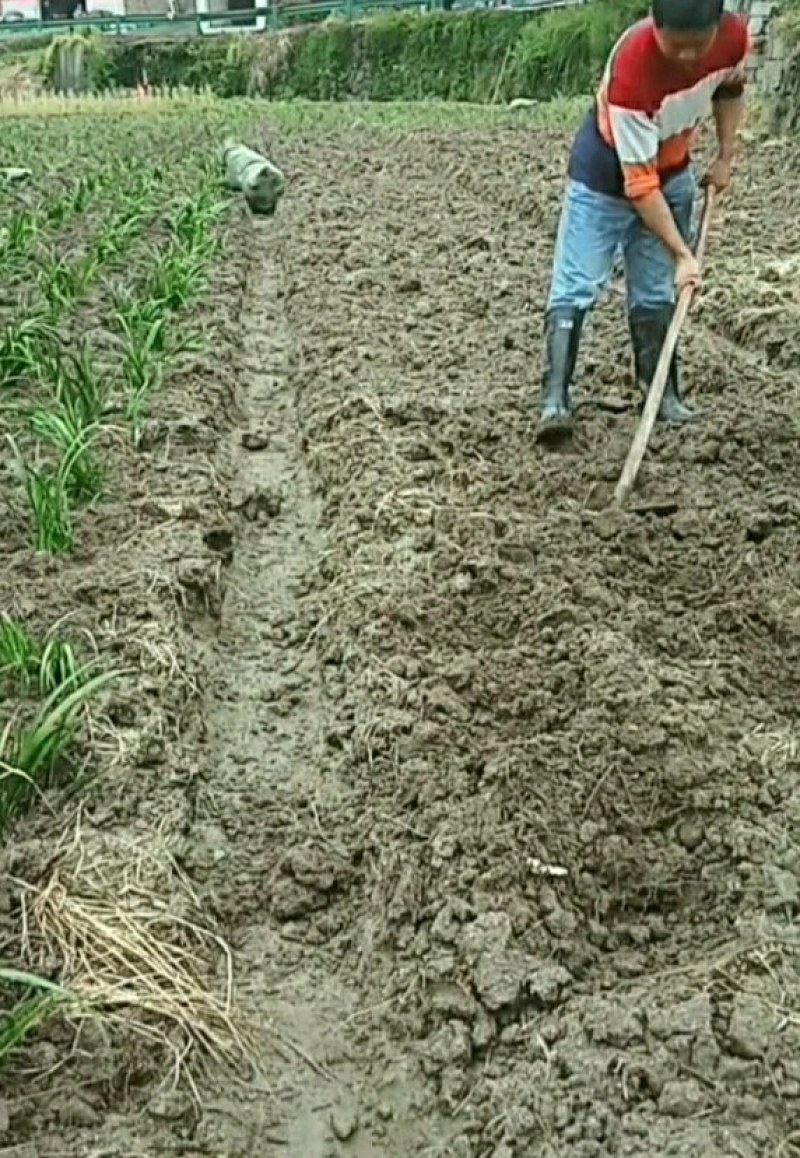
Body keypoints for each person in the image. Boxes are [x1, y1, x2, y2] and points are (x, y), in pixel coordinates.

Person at [538, 0, 749, 438]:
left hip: (671, 170)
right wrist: (683, 253)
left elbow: (730, 89)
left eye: (698, 46)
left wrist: (726, 156)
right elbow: (640, 186)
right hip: (606, 175)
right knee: (577, 283)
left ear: (718, 26)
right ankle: (555, 399)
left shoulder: (733, 39)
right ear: (654, 25)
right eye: (675, 46)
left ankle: (662, 393)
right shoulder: (633, 68)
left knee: (655, 289)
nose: (688, 58)